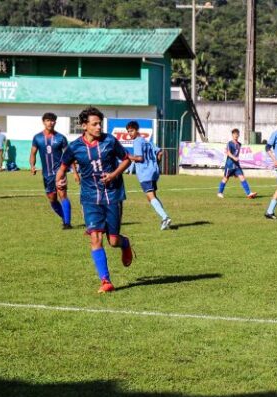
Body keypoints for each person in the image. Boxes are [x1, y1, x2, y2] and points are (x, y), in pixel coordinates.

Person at [55, 107, 134, 294]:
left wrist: (114, 174)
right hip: (90, 197)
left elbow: (126, 160)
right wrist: (60, 179)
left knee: (113, 241)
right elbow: (63, 166)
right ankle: (105, 280)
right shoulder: (75, 147)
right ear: (84, 126)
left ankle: (125, 243)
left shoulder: (110, 141)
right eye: (95, 124)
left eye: (100, 123)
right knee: (95, 238)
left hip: (112, 195)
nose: (99, 127)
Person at [30, 113, 77, 230]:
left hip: (60, 172)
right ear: (43, 122)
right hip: (47, 174)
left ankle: (67, 223)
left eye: (52, 121)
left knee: (63, 195)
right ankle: (64, 217)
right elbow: (33, 153)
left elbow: (69, 156)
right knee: (52, 199)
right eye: (47, 120)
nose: (50, 123)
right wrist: (32, 165)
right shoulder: (37, 138)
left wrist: (75, 172)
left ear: (55, 122)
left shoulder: (61, 138)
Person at [126, 121, 172, 230]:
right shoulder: (148, 142)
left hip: (145, 173)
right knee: (152, 196)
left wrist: (127, 156)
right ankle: (164, 217)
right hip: (153, 172)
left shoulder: (137, 141)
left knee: (150, 196)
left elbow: (139, 158)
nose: (130, 133)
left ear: (137, 130)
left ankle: (165, 217)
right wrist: (155, 164)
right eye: (128, 132)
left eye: (131, 131)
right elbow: (160, 153)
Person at [217, 128, 257, 199]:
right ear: (232, 135)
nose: (236, 135)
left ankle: (249, 193)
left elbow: (237, 154)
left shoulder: (239, 144)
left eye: (237, 134)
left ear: (239, 135)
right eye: (234, 134)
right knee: (225, 179)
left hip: (236, 165)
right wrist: (234, 158)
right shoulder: (230, 143)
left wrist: (237, 161)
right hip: (229, 165)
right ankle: (220, 192)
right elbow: (228, 153)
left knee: (242, 177)